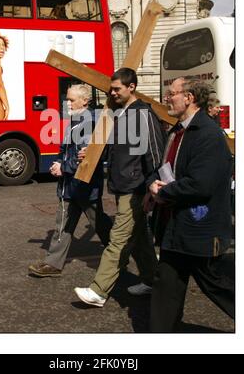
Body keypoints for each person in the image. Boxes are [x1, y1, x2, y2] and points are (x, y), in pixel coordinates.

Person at [147, 76, 234, 332]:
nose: (166, 98)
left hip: (198, 228)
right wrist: (152, 183)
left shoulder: (208, 135)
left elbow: (200, 184)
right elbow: (163, 166)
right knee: (167, 282)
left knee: (215, 283)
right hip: (175, 228)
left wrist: (164, 193)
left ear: (189, 98)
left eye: (171, 93)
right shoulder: (177, 130)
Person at [74, 68, 165, 307]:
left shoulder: (142, 113)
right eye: (111, 89)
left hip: (135, 187)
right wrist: (92, 152)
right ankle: (153, 281)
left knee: (118, 239)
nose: (112, 93)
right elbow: (115, 146)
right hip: (123, 183)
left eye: (117, 89)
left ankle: (99, 291)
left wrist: (151, 187)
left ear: (131, 87)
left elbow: (155, 152)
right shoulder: (120, 112)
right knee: (141, 238)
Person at [28, 84, 113, 277]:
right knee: (64, 223)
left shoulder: (89, 122)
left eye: (71, 100)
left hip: (83, 184)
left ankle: (119, 252)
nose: (67, 103)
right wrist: (58, 161)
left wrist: (63, 167)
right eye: (67, 99)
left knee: (99, 223)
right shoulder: (76, 120)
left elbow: (86, 159)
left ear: (85, 100)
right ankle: (53, 263)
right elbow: (66, 149)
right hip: (72, 185)